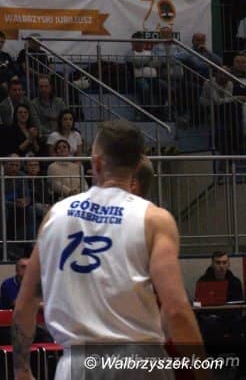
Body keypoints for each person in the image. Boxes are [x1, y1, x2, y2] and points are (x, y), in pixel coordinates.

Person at [11, 120, 207, 380]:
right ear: (137, 166)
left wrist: (21, 369)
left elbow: (25, 303)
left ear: (96, 163)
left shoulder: (55, 215)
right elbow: (176, 310)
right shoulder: (154, 219)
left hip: (76, 364)